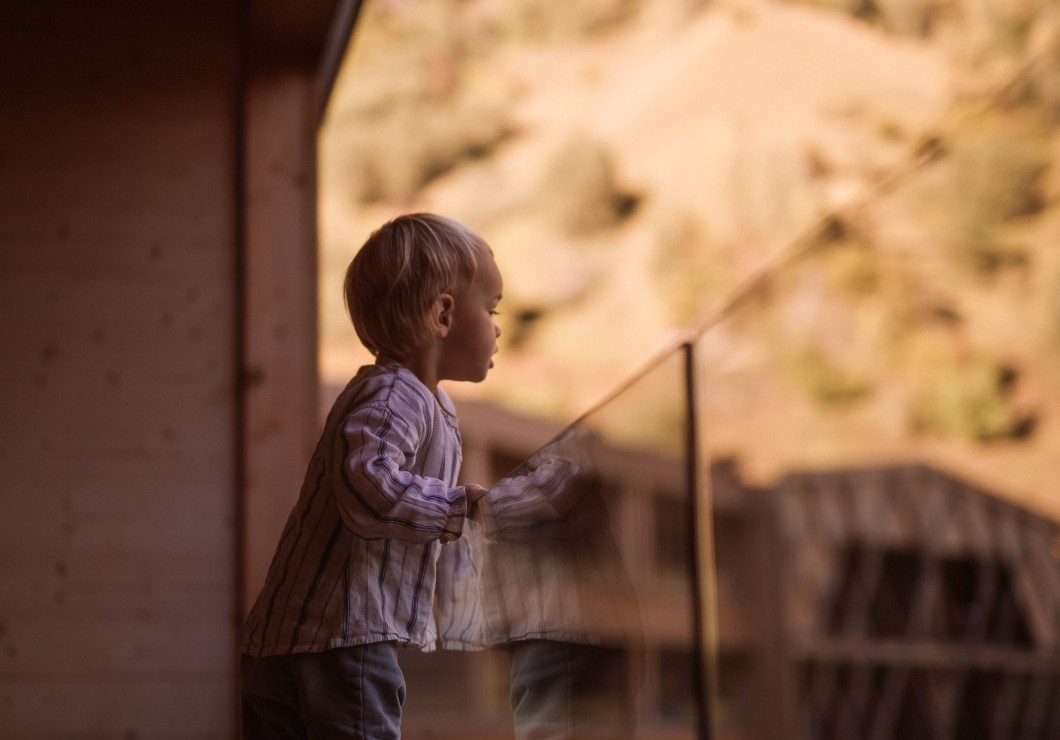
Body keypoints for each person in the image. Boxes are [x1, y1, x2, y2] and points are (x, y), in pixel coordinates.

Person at [239, 212, 503, 739]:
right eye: (492, 309)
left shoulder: (415, 400)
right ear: (443, 314)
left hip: (290, 640)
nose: (497, 328)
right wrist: (461, 506)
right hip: (338, 639)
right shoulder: (394, 393)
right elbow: (369, 487)